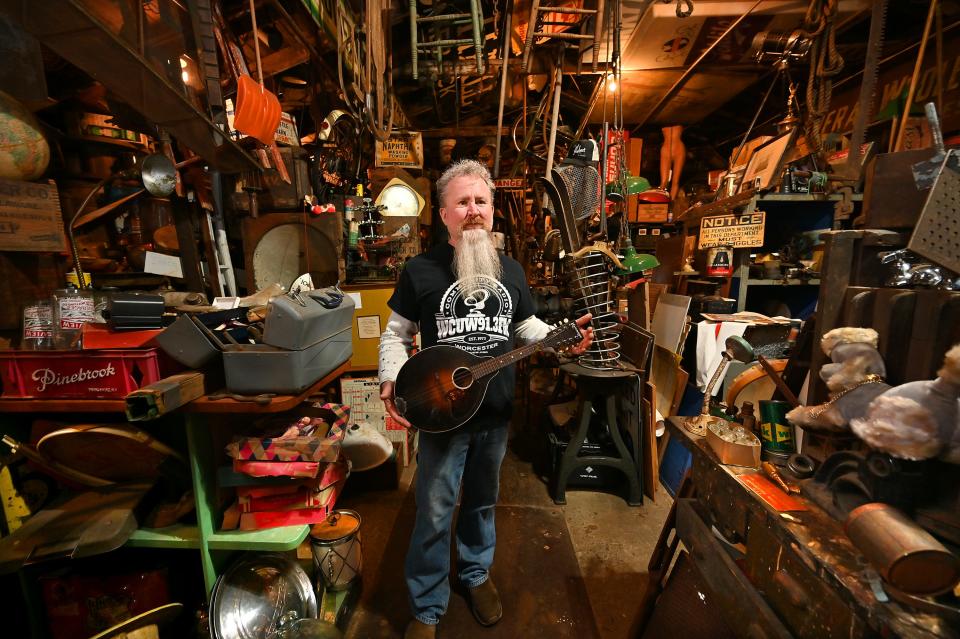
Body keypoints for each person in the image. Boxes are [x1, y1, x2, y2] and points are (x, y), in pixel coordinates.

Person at [378, 159, 594, 639]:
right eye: (462, 202)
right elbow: (397, 333)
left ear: (492, 210)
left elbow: (525, 328)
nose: (473, 210)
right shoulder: (421, 270)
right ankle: (427, 606)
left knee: (480, 502)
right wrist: (390, 377)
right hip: (442, 413)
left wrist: (559, 337)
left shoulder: (511, 270)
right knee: (435, 511)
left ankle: (474, 575)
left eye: (481, 201)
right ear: (444, 213)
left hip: (494, 412)